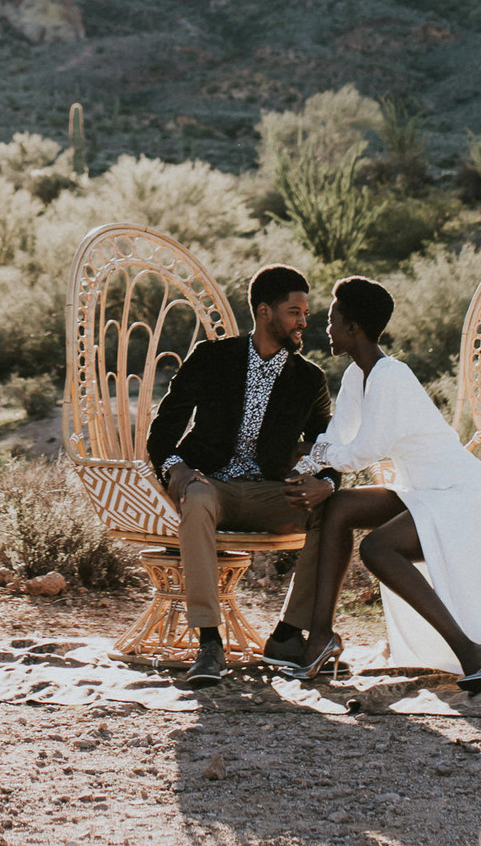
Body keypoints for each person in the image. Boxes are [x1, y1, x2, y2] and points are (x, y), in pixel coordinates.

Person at [287, 276, 481, 693]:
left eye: (332, 320)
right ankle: (321, 638)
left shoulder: (392, 377)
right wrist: (307, 466)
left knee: (377, 548)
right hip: (425, 491)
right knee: (340, 507)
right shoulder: (355, 376)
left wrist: (314, 460)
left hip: (466, 494)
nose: (325, 328)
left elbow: (365, 450)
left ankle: (471, 652)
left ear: (354, 329)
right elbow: (338, 436)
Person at [144, 263, 343, 688]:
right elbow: (164, 428)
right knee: (195, 500)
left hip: (271, 492)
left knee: (334, 511)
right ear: (264, 311)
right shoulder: (213, 359)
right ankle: (209, 641)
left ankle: (288, 634)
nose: (303, 321)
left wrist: (325, 483)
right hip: (210, 485)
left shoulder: (309, 379)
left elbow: (328, 448)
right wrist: (173, 466)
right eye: (294, 312)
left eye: (305, 313)